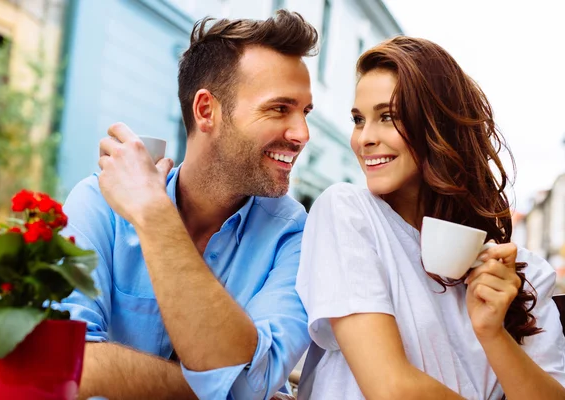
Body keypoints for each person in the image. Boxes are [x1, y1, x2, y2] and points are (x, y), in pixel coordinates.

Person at [60, 10, 317, 400]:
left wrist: (154, 217)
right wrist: (220, 385)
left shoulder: (295, 234)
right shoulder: (98, 202)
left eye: (304, 112)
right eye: (280, 108)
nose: (302, 134)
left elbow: (252, 384)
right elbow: (66, 362)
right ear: (205, 110)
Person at [296, 36, 565, 400]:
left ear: (439, 127)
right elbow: (390, 388)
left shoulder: (523, 274)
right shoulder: (347, 213)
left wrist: (493, 333)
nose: (364, 138)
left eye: (388, 117)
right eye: (359, 120)